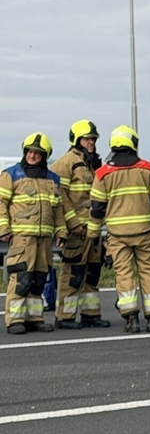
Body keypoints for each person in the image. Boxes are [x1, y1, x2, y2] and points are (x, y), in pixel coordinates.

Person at [87, 125, 150, 334]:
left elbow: (97, 209)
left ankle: (131, 320)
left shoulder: (102, 174)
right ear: (133, 144)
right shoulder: (149, 170)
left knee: (124, 275)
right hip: (145, 233)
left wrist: (92, 235)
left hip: (118, 236)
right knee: (149, 272)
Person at [0, 134, 74, 335]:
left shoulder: (52, 180)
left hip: (45, 240)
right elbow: (1, 204)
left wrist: (61, 232)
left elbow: (58, 209)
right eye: (30, 152)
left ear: (44, 155)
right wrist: (3, 229)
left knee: (39, 278)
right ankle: (15, 319)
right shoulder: (11, 175)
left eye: (37, 153)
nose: (32, 156)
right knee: (21, 278)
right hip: (22, 238)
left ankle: (34, 318)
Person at [51, 120, 111, 329]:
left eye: (93, 139)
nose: (91, 142)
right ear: (76, 139)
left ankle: (90, 314)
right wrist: (72, 222)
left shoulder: (93, 162)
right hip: (76, 230)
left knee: (92, 273)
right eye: (87, 138)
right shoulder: (66, 162)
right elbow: (60, 195)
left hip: (94, 229)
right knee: (72, 274)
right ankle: (65, 317)